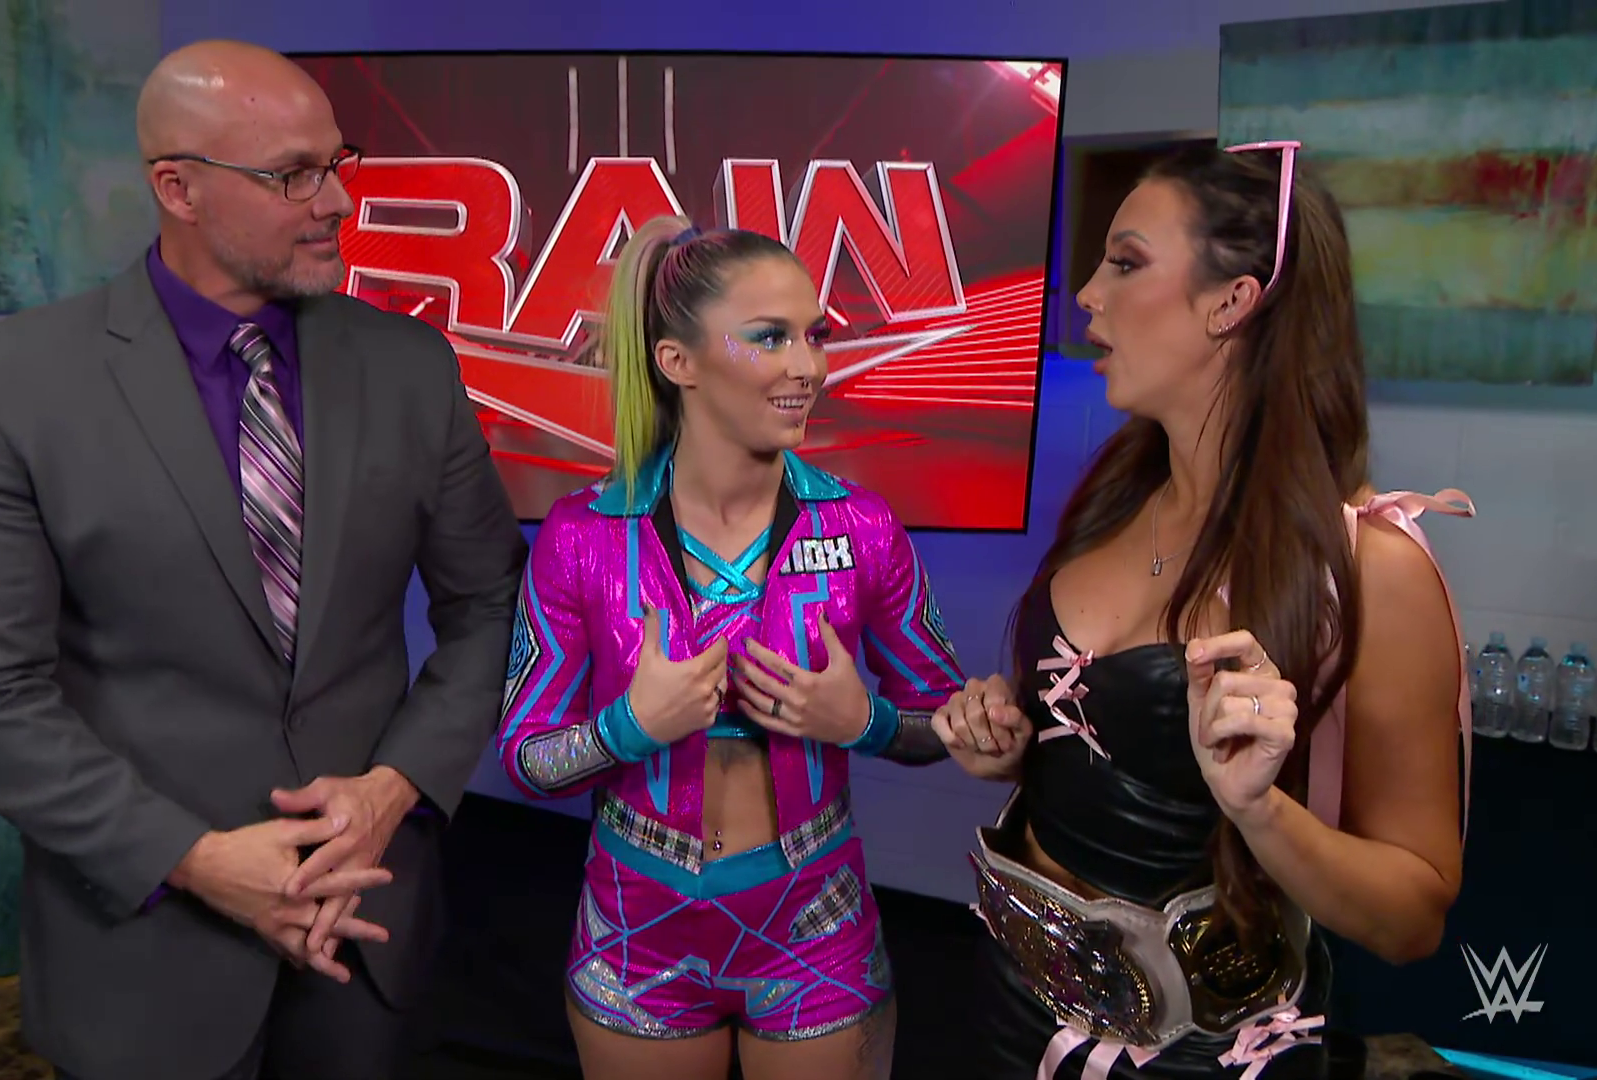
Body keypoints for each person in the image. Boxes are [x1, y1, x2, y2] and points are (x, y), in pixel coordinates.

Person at [0, 40, 527, 1080]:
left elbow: (489, 603)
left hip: (365, 937)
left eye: (338, 163)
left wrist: (395, 788)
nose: (336, 201)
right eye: (292, 175)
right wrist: (191, 859)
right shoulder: (18, 385)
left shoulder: (410, 368)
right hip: (142, 963)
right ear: (177, 189)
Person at [930, 142, 1476, 1080]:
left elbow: (1413, 916)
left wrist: (1260, 810)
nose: (1087, 294)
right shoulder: (1114, 496)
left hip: (1201, 1055)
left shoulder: (1369, 567)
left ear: (1232, 302)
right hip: (1011, 1007)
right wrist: (1012, 744)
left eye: (1126, 262)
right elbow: (1104, 748)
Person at [494, 215, 965, 1080]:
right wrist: (630, 728)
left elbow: (947, 723)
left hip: (817, 925)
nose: (809, 366)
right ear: (678, 361)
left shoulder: (861, 529)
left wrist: (862, 722)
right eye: (771, 337)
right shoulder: (582, 536)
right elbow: (526, 759)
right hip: (635, 930)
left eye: (815, 336)